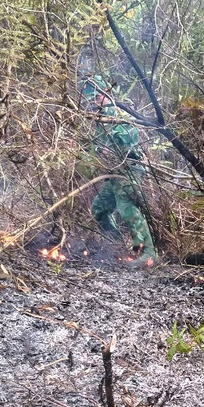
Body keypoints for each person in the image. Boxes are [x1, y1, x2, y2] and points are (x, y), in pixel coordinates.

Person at [82, 75, 157, 266]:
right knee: (100, 208)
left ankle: (149, 253)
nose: (95, 102)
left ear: (106, 94)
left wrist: (114, 146)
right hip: (114, 173)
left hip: (129, 169)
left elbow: (130, 139)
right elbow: (96, 145)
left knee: (126, 207)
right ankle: (116, 245)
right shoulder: (100, 118)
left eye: (97, 97)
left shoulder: (119, 113)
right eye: (92, 99)